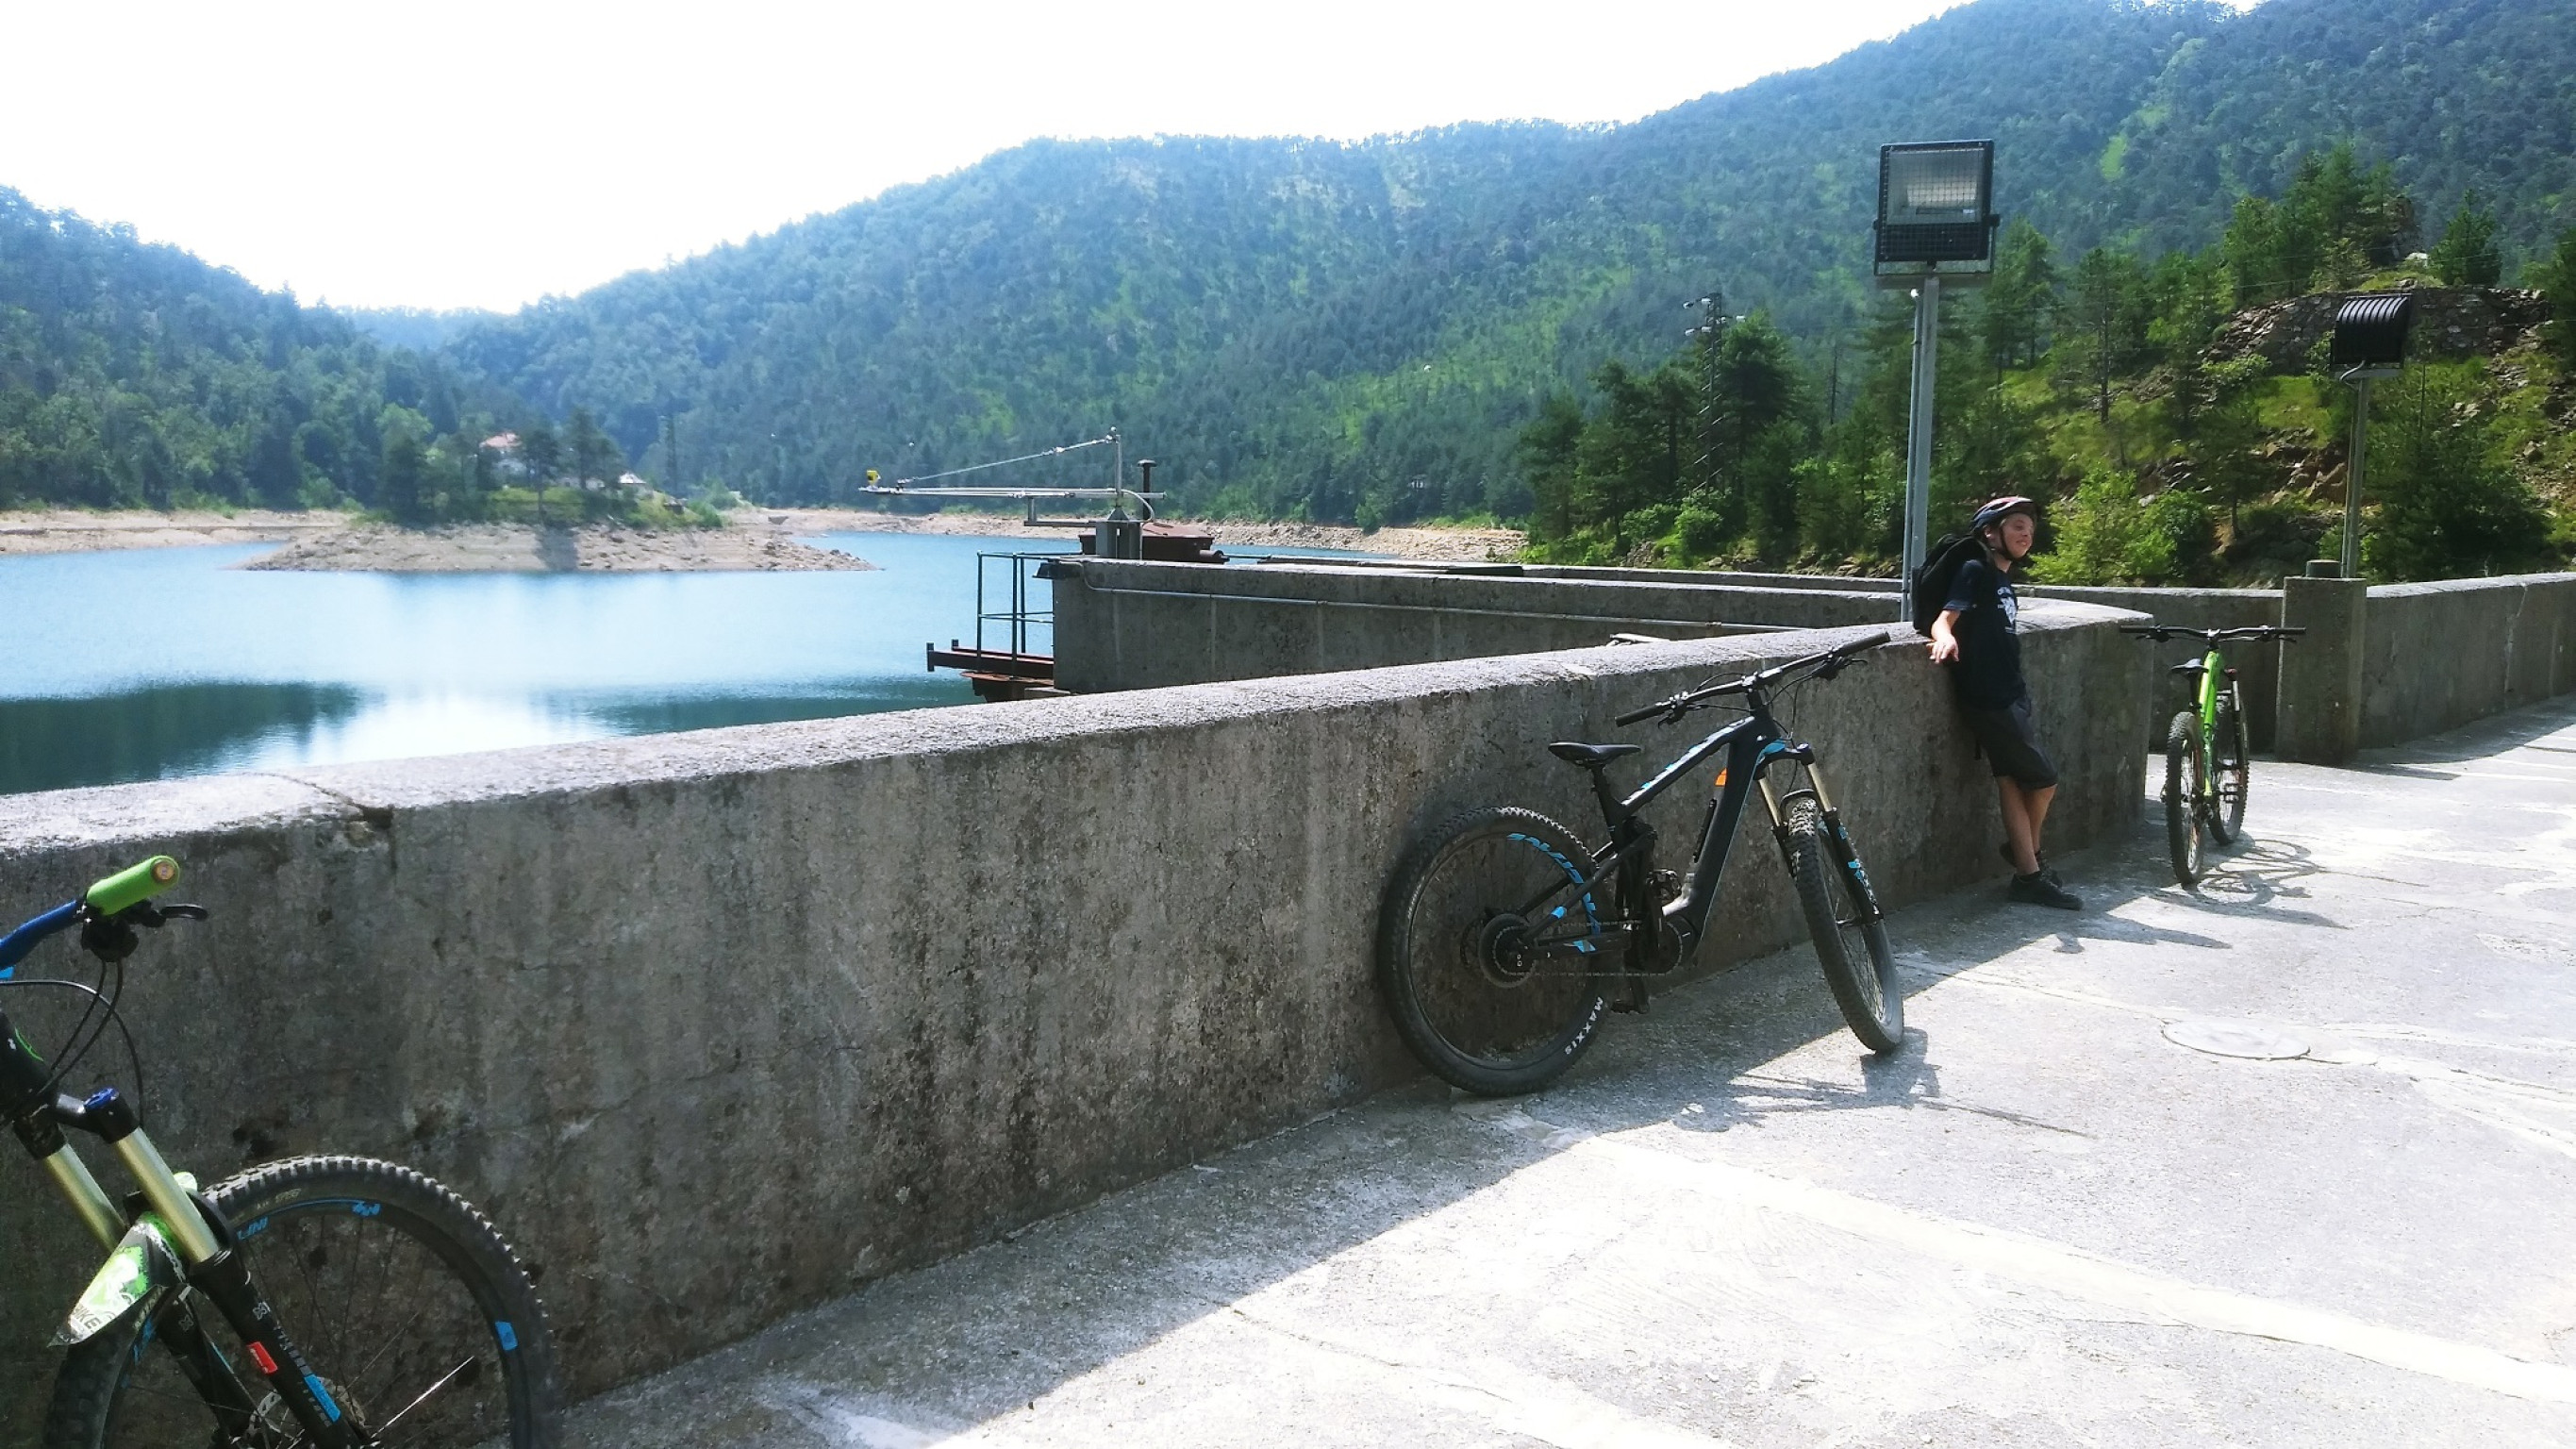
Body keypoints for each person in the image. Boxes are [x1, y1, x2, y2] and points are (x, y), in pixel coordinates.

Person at [1927, 495, 2082, 910]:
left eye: (2029, 527)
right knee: (2045, 779)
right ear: (1989, 533)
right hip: (1989, 697)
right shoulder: (1976, 569)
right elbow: (1945, 618)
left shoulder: (2002, 578)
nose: (2026, 533)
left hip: (2010, 692)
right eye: (2016, 525)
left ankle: (2027, 873)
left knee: (2011, 780)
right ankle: (2026, 856)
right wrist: (1944, 637)